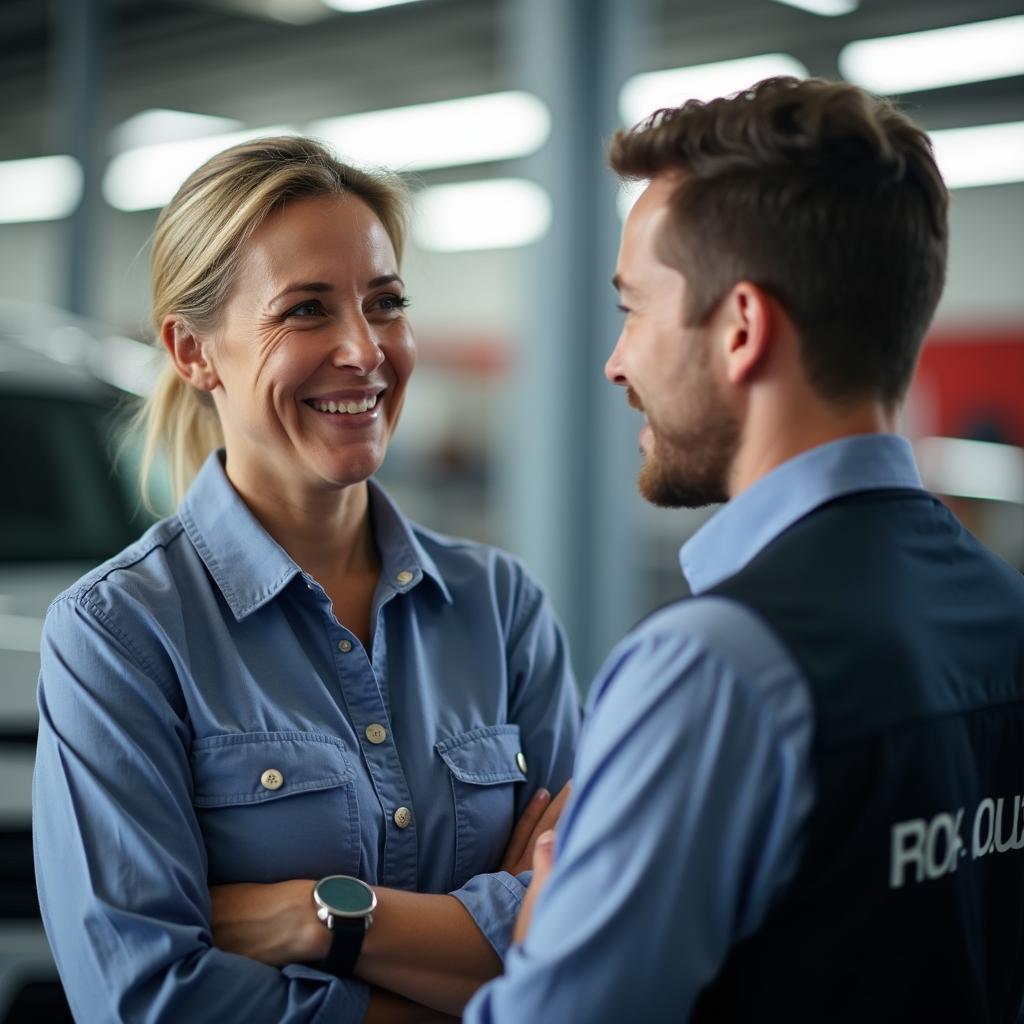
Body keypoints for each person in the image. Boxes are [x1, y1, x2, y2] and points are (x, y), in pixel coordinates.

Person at [464, 77, 1024, 1023]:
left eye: (633, 310)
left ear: (741, 329)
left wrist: (537, 944)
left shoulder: (712, 669)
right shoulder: (1004, 610)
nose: (616, 362)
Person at [32, 136, 580, 1023]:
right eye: (306, 311)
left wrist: (315, 919)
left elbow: (588, 933)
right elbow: (146, 1000)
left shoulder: (499, 605)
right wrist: (481, 975)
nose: (365, 349)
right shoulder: (120, 634)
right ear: (193, 351)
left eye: (385, 303)